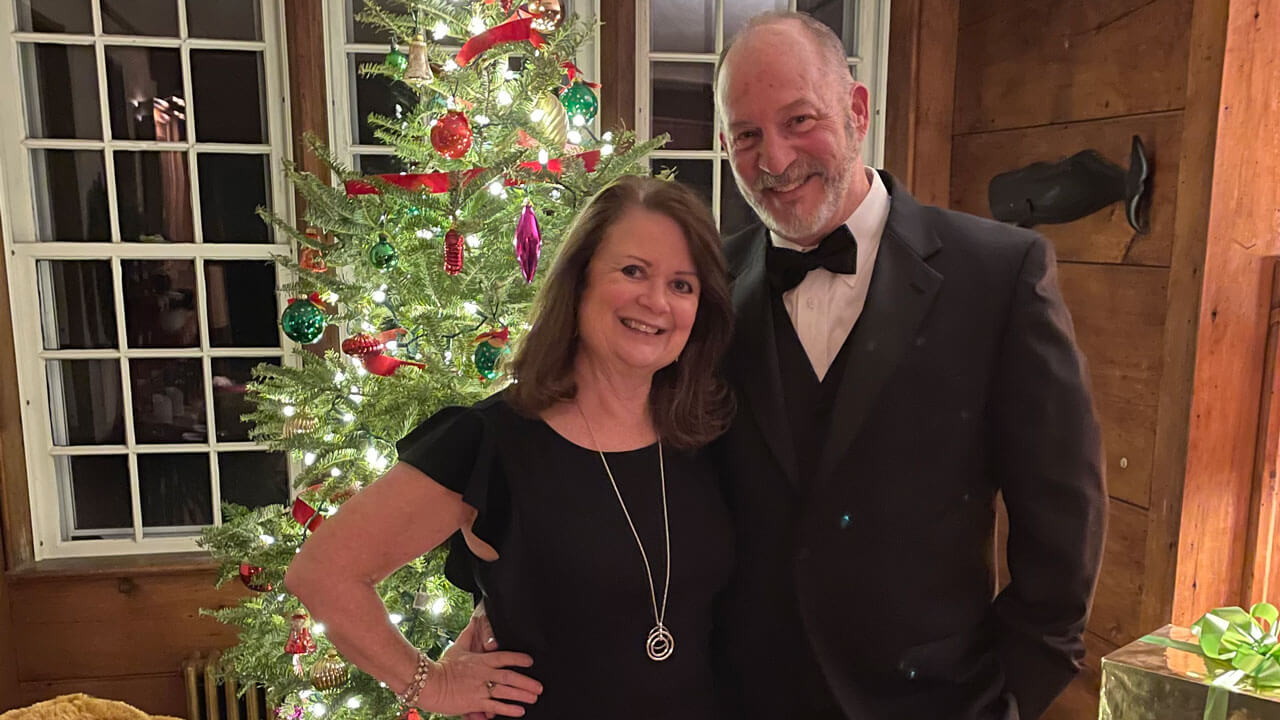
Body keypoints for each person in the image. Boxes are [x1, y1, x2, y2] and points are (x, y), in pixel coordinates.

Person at [705, 11, 1107, 720]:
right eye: (747, 135)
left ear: (857, 108)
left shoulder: (1000, 273)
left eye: (800, 120)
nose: (773, 158)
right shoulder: (703, 289)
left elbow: (1062, 515)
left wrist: (1009, 695)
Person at [285, 175, 736, 719]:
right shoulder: (492, 441)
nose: (656, 301)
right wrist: (431, 685)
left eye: (682, 285)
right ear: (581, 281)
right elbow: (323, 572)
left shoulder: (702, 436)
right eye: (633, 271)